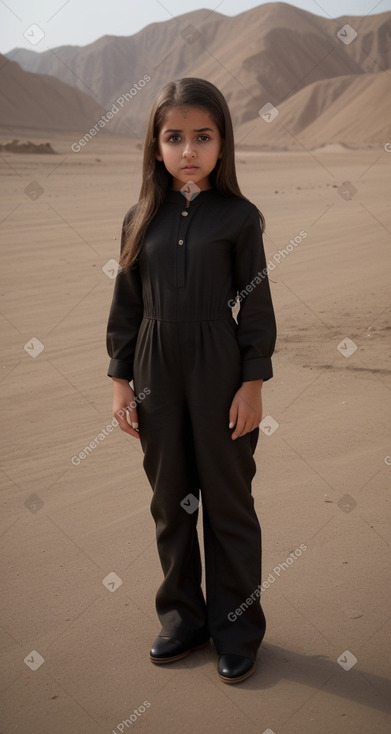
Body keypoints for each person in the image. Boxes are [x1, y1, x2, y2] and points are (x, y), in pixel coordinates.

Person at [106, 77, 276, 684]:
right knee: (170, 500)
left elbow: (255, 305)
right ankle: (182, 618)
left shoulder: (239, 217)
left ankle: (237, 628)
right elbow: (126, 305)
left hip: (219, 368)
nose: (189, 150)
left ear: (222, 144)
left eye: (202, 137)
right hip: (154, 370)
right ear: (155, 147)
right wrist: (121, 380)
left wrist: (253, 381)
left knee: (228, 501)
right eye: (174, 137)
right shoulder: (139, 218)